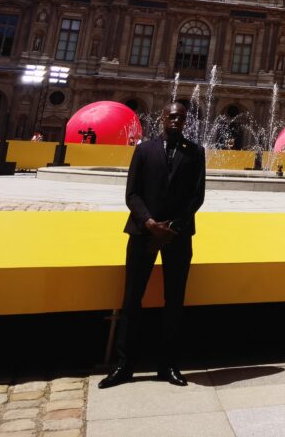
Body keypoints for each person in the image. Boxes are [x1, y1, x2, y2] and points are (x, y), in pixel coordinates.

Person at [99, 101, 205, 389]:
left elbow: (197, 196)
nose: (175, 120)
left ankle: (167, 364)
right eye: (170, 115)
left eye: (180, 117)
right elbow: (132, 193)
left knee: (175, 300)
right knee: (131, 298)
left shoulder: (195, 152)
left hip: (177, 234)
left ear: (186, 121)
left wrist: (174, 227)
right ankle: (124, 365)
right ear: (161, 117)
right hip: (143, 232)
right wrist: (149, 223)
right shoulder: (144, 150)